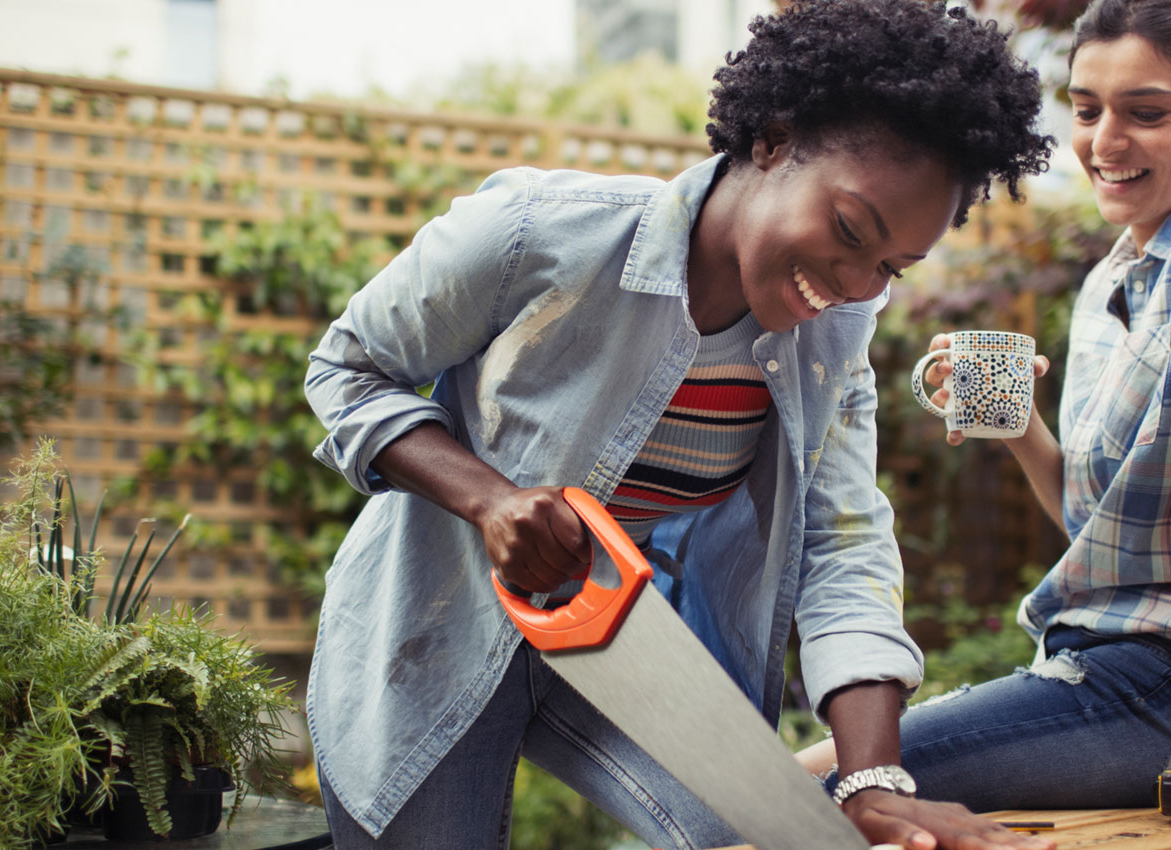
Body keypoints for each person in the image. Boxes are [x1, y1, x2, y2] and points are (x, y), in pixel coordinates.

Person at [300, 1, 1054, 848]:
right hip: (431, 633)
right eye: (848, 230)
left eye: (888, 267)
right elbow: (346, 369)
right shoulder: (540, 234)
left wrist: (871, 779)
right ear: (772, 138)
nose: (850, 283)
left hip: (623, 645)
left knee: (777, 839)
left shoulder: (833, 338)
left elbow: (842, 543)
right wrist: (490, 501)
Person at [797, 0, 1171, 848]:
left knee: (814, 789)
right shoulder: (1113, 276)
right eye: (1088, 109)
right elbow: (1098, 530)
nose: (1104, 141)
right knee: (786, 775)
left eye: (1146, 112)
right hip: (1090, 672)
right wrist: (1019, 424)